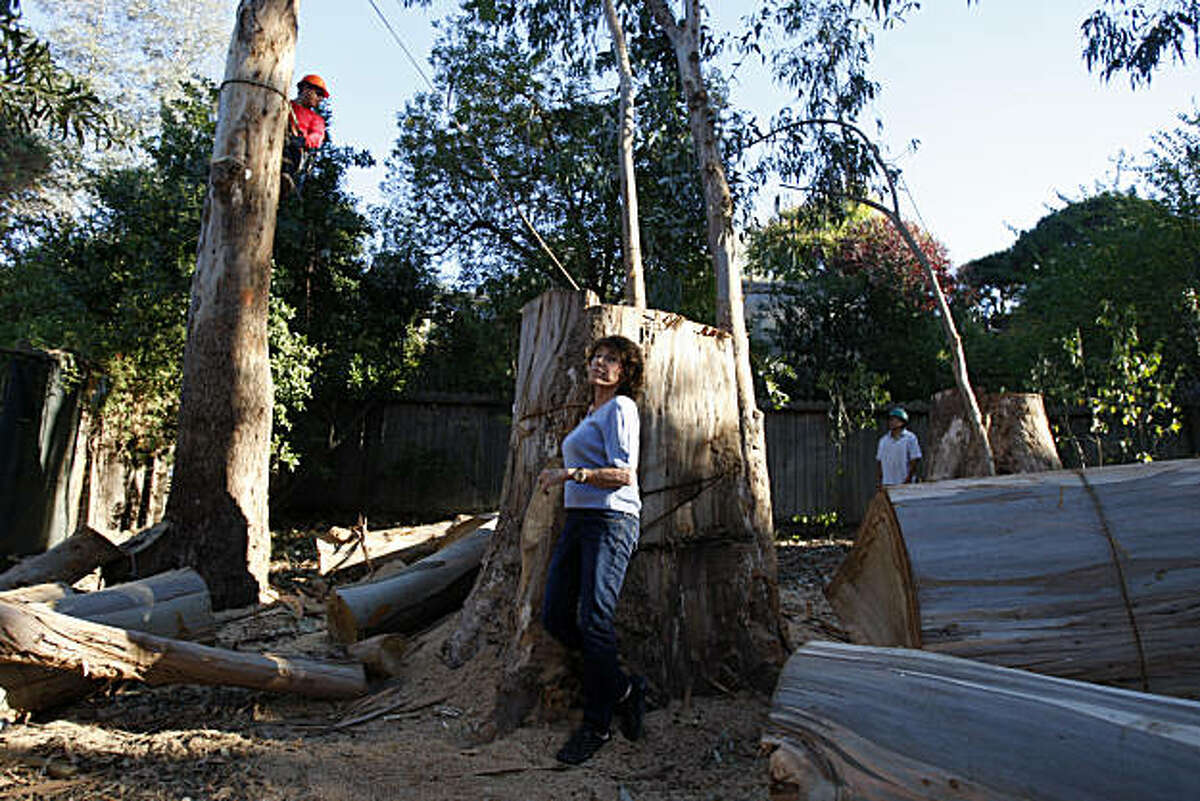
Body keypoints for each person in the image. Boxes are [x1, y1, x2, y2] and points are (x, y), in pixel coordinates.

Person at [537, 334, 647, 766]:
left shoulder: (622, 408)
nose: (600, 364)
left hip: (612, 521)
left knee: (594, 618)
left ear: (625, 372)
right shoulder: (590, 412)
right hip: (579, 522)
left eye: (611, 360)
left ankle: (597, 724)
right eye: (597, 357)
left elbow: (625, 475)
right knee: (555, 616)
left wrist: (571, 474)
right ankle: (622, 687)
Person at [281, 73, 330, 195]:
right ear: (305, 89)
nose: (320, 99)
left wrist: (303, 141)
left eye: (322, 96)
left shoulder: (316, 119)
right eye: (318, 94)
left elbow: (317, 137)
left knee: (290, 147)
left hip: (295, 150)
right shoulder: (285, 105)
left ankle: (285, 176)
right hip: (278, 139)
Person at [876, 406, 921, 487]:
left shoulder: (910, 438)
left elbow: (914, 460)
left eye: (894, 419)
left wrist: (908, 480)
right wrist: (880, 481)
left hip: (905, 483)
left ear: (902, 422)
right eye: (890, 419)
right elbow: (879, 462)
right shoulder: (883, 441)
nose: (891, 422)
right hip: (887, 483)